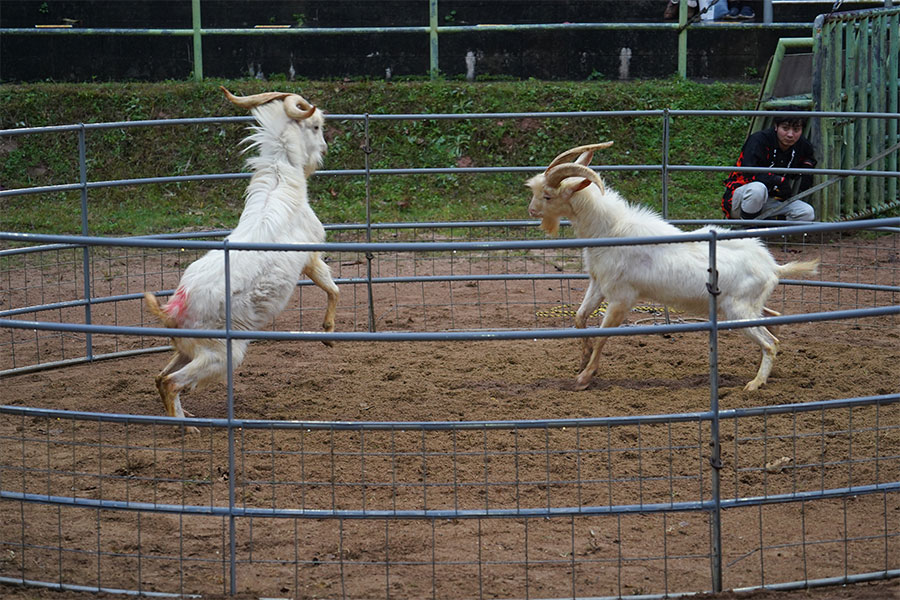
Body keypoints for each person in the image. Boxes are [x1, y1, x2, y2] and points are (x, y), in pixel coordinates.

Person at [721, 114, 817, 221]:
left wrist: (806, 169)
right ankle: (748, 229)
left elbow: (809, 157)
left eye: (796, 129)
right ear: (776, 126)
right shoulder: (759, 140)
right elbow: (748, 171)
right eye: (785, 128)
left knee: (806, 212)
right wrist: (778, 180)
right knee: (758, 189)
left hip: (772, 199)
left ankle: (770, 230)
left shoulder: (800, 143)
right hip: (742, 198)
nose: (790, 134)